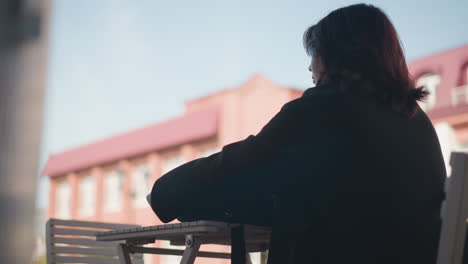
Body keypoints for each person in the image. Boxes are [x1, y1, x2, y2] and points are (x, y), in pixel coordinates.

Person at [149, 3, 446, 264]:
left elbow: (240, 163)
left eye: (315, 55)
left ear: (335, 57)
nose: (310, 67)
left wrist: (164, 192)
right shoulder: (418, 122)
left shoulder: (323, 108)